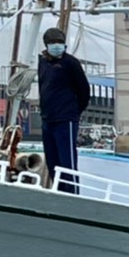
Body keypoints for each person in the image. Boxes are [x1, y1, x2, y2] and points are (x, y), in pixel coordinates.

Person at [37, 26, 90, 193]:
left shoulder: (71, 63)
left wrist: (73, 111)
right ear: (46, 44)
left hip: (66, 119)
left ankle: (72, 194)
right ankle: (58, 192)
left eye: (59, 42)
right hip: (47, 118)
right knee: (52, 161)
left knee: (67, 161)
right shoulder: (43, 62)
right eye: (52, 42)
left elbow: (84, 90)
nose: (56, 45)